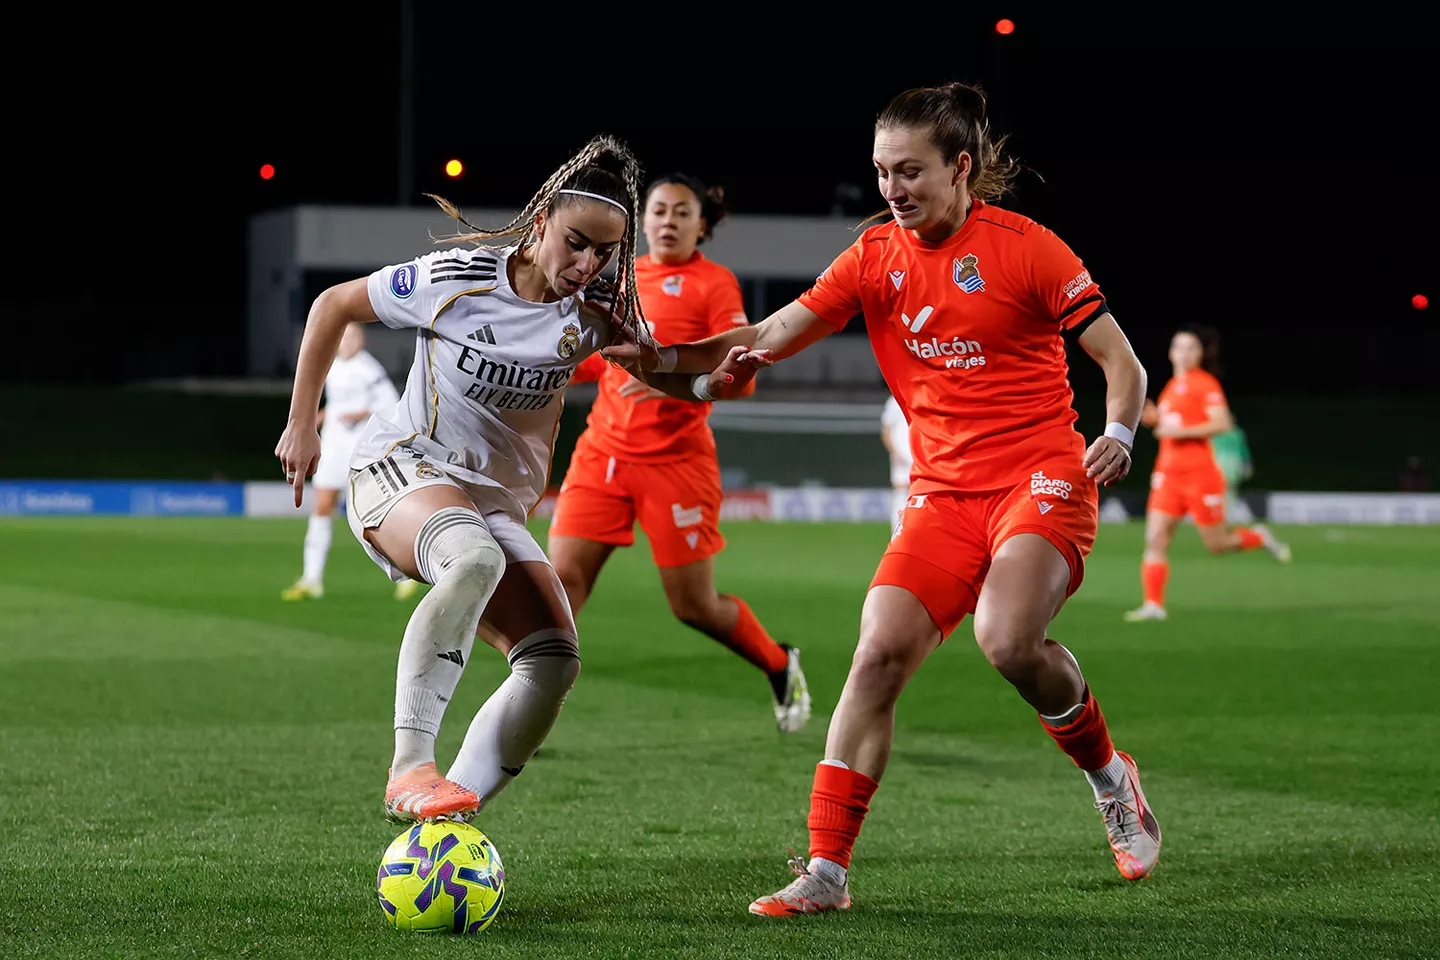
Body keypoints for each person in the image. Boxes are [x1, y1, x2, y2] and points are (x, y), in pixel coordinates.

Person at [604, 82, 1162, 912]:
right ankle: (825, 872)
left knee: (1007, 640)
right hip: (941, 495)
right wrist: (651, 359)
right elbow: (768, 334)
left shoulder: (1028, 247)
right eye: (880, 172)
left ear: (961, 168)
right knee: (875, 657)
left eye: (910, 171)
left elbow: (1124, 363)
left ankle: (1110, 776)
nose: (893, 190)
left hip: (1040, 478)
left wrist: (1118, 432)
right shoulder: (873, 257)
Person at [273, 135, 751, 823]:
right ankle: (410, 766)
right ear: (539, 224)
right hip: (403, 468)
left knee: (553, 660)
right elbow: (333, 305)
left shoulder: (591, 311)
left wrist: (708, 382)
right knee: (474, 557)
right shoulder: (455, 279)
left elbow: (650, 369)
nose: (587, 264)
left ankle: (445, 820)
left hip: (490, 504)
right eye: (575, 243)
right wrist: (303, 423)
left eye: (605, 251)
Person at [548, 173, 811, 734]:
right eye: (659, 210)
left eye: (681, 213)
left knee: (694, 606)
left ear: (702, 226)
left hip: (676, 464)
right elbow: (600, 358)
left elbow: (743, 377)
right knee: (559, 587)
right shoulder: (620, 277)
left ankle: (777, 661)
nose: (668, 220)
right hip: (602, 456)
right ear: (642, 220)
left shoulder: (714, 284)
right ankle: (528, 708)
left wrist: (681, 368)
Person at [1125, 326, 1290, 622]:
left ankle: (1258, 536)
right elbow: (1167, 425)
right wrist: (1153, 419)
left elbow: (1222, 423)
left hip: (1200, 476)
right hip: (1167, 476)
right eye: (1179, 347)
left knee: (1217, 545)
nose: (1185, 353)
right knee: (1156, 539)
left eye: (1191, 348)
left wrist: (1176, 430)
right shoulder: (1171, 388)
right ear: (1171, 352)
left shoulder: (1205, 384)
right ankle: (1154, 605)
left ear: (1201, 354)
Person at [281, 321, 419, 602]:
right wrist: (312, 421)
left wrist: (360, 414)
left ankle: (405, 574)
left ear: (362, 340)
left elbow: (390, 405)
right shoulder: (333, 367)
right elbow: (336, 405)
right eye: (343, 336)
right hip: (331, 447)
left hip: (358, 450)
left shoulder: (369, 369)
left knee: (372, 518)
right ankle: (312, 578)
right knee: (321, 508)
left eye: (353, 336)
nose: (347, 341)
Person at [879, 393, 912, 527]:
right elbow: (886, 430)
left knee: (920, 492)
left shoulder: (922, 395)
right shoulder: (895, 400)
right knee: (901, 489)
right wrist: (894, 451)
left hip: (919, 454)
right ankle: (897, 529)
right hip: (902, 455)